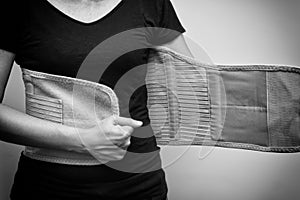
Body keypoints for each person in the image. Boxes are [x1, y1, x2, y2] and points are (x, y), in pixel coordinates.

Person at [0, 0, 192, 199]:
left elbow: (194, 87)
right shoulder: (17, 6)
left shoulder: (151, 3)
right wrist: (82, 140)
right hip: (47, 186)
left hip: (140, 186)